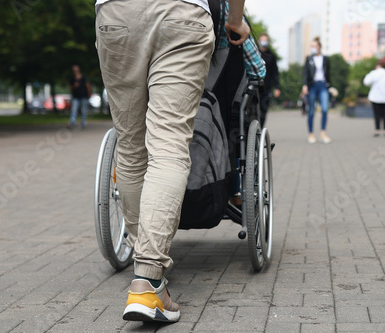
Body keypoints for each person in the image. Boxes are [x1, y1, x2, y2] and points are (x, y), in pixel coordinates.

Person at [95, 0, 250, 323]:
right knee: (168, 145)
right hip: (181, 14)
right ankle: (148, 278)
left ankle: (147, 270)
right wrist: (236, 20)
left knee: (131, 147)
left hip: (116, 13)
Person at [301, 37, 332, 144]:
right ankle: (311, 134)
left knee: (324, 109)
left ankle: (323, 133)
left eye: (314, 46)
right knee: (311, 111)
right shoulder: (308, 59)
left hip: (323, 85)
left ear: (319, 47)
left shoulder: (326, 59)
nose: (312, 48)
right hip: (312, 86)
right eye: (311, 46)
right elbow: (305, 73)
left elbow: (328, 73)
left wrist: (330, 86)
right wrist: (305, 85)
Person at [363, 60, 385, 137]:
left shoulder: (373, 73)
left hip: (375, 97)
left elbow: (366, 82)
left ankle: (377, 130)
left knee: (377, 114)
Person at [257, 33, 280, 126]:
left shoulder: (272, 56)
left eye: (265, 40)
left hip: (266, 88)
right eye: (262, 40)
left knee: (263, 111)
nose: (264, 42)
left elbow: (275, 73)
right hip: (254, 86)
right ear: (258, 42)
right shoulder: (255, 53)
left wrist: (277, 87)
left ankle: (260, 132)